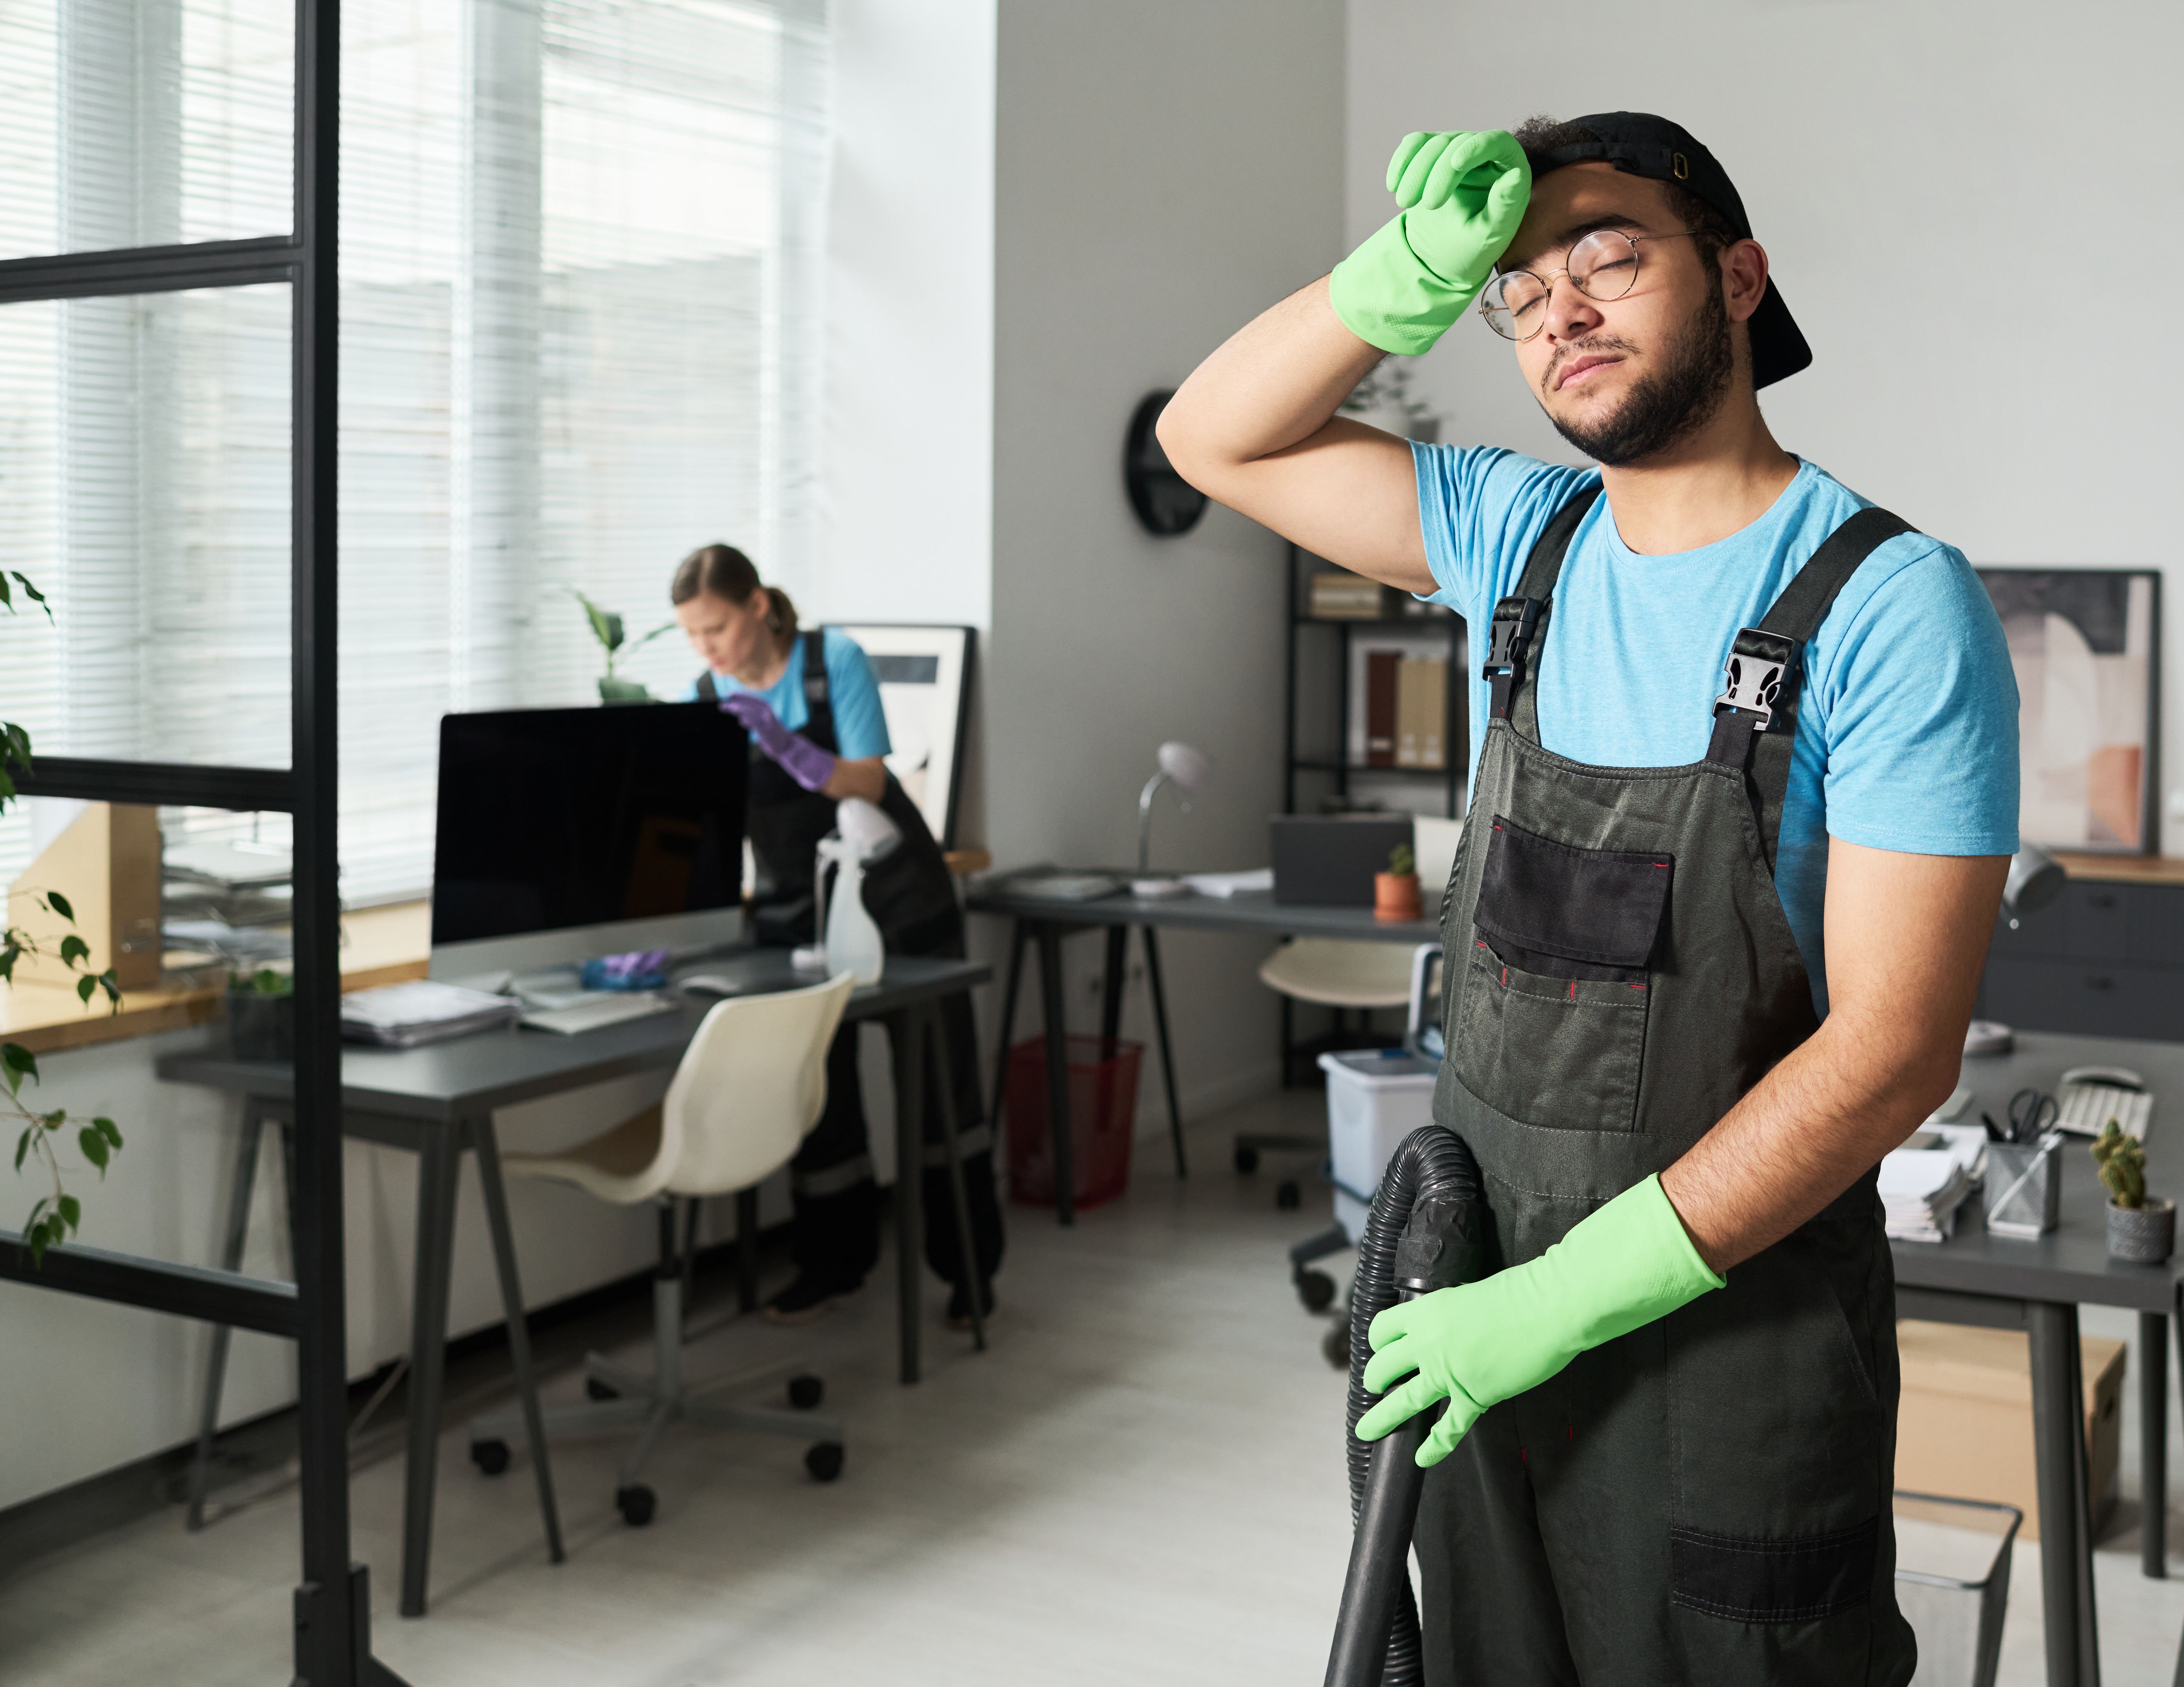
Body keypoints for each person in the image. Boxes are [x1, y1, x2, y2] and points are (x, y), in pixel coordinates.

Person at [1159, 114, 2018, 1682]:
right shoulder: (1512, 540)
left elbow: (1896, 1051)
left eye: (1609, 257)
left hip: (1731, 1361)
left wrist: (1569, 1300)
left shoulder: (1890, 606)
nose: (1557, 309)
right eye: (1517, 286)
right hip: (1483, 1328)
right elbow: (1213, 439)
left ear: (1741, 279)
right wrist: (1396, 274)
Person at [672, 543, 1000, 1327]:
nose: (706, 649)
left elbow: (869, 779)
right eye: (692, 636)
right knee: (819, 1093)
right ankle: (835, 1264)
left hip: (900, 901)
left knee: (936, 1086)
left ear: (756, 606)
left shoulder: (833, 659)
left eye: (715, 627)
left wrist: (788, 747)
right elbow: (703, 823)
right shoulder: (705, 693)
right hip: (796, 915)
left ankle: (968, 1272)